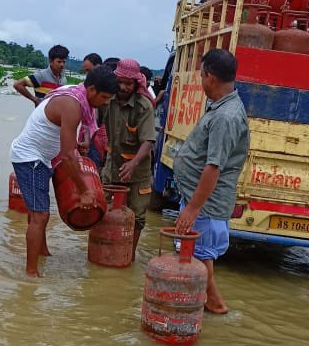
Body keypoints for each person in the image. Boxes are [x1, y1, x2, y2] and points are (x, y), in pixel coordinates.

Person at [10, 65, 118, 276]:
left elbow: (64, 142)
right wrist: (84, 191)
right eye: (104, 97)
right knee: (40, 215)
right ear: (92, 90)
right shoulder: (72, 105)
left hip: (43, 158)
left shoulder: (75, 93)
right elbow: (68, 156)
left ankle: (42, 253)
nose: (105, 102)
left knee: (38, 213)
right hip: (30, 158)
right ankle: (31, 273)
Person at [174, 48, 249, 315]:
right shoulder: (220, 107)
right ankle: (207, 303)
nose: (201, 81)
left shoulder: (225, 117)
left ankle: (215, 304)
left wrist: (193, 209)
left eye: (201, 75)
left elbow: (213, 166)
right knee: (198, 255)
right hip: (200, 198)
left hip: (207, 202)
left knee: (200, 254)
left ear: (211, 77)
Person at [100, 58, 156, 259]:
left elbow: (148, 141)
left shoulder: (144, 107)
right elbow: (92, 120)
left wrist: (133, 164)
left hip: (138, 171)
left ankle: (128, 256)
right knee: (101, 209)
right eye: (120, 82)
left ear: (136, 84)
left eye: (128, 83)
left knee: (137, 217)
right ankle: (101, 251)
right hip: (112, 166)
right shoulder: (107, 99)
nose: (123, 87)